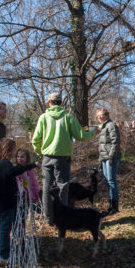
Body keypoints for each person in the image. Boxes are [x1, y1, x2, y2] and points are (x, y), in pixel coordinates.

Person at [31, 92, 98, 224]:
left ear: (49, 103)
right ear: (61, 103)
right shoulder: (68, 117)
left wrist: (41, 153)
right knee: (63, 187)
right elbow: (81, 136)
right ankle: (62, 219)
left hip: (47, 157)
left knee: (46, 188)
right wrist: (94, 132)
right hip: (63, 158)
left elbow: (35, 140)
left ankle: (49, 218)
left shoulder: (43, 117)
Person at [0, 138, 41, 263]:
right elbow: (14, 171)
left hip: (6, 201)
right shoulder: (4, 164)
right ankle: (4, 255)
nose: (15, 154)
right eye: (14, 150)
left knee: (11, 225)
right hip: (6, 201)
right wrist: (32, 165)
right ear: (9, 150)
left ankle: (13, 249)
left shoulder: (1, 164)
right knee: (5, 227)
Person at [97, 109, 122, 214]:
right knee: (107, 181)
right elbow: (102, 145)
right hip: (104, 157)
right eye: (97, 116)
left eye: (101, 115)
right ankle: (111, 205)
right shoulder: (103, 126)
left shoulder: (111, 125)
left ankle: (115, 207)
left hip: (111, 157)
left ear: (107, 115)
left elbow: (115, 142)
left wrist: (111, 156)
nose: (99, 118)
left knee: (111, 181)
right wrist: (100, 159)